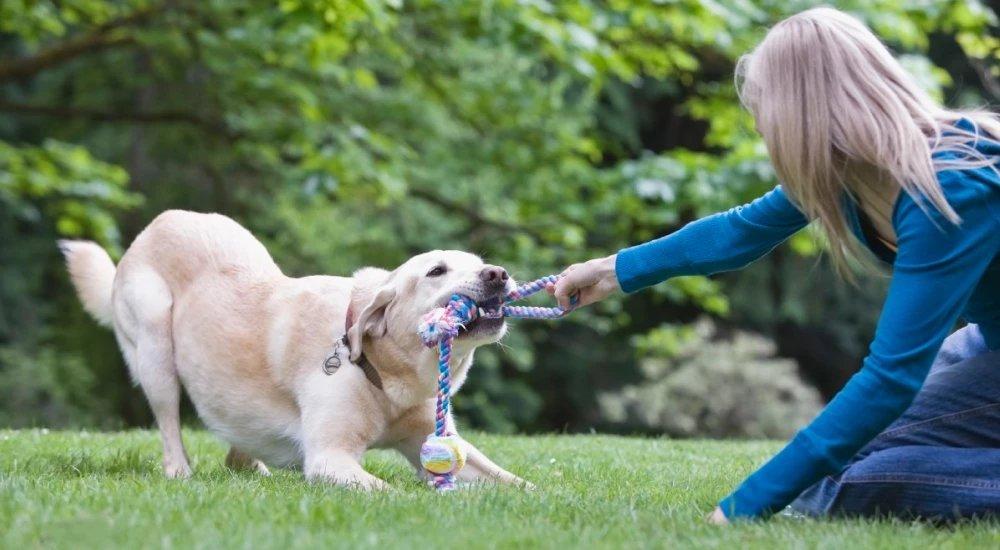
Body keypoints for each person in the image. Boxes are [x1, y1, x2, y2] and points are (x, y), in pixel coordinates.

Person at [549, 7, 1000, 522]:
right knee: (833, 472)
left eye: (764, 113)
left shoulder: (949, 189)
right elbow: (740, 230)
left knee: (850, 485)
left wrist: (742, 508)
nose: (762, 129)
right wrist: (612, 270)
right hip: (988, 344)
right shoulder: (852, 174)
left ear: (801, 115)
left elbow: (891, 378)